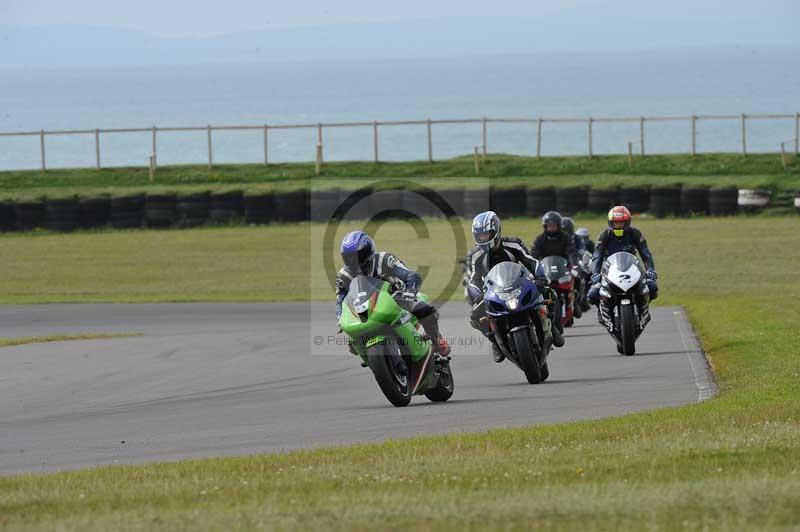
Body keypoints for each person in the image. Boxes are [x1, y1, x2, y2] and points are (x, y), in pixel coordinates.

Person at [466, 211, 564, 363]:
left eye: (486, 234)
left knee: (550, 293)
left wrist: (540, 278)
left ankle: (553, 327)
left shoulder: (513, 243)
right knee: (475, 315)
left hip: (519, 283)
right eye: (480, 236)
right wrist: (477, 294)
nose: (483, 238)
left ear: (496, 231)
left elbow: (531, 261)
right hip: (494, 291)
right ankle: (495, 341)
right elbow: (473, 279)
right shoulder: (475, 255)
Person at [335, 230, 450, 357]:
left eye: (358, 255)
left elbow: (411, 275)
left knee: (423, 309)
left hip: (396, 297)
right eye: (349, 257)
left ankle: (436, 338)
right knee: (352, 344)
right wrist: (340, 316)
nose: (354, 260)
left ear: (368, 251)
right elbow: (341, 299)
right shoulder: (343, 276)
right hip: (364, 306)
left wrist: (410, 292)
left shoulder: (384, 260)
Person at [586, 206, 659, 307]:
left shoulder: (635, 233)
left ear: (627, 222)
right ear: (611, 223)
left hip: (632, 268)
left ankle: (643, 306)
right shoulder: (604, 235)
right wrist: (595, 273)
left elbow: (645, 253)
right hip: (610, 270)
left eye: (621, 222)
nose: (618, 225)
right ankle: (603, 310)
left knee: (652, 287)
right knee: (592, 295)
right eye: (616, 223)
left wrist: (651, 269)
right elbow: (597, 256)